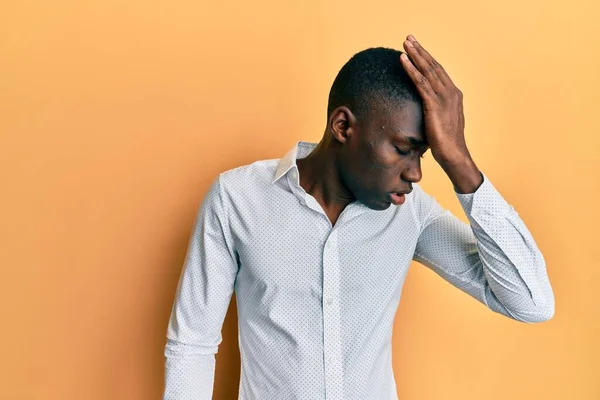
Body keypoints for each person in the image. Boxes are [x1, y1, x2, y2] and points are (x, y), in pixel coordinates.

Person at [162, 34, 555, 400]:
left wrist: (460, 162)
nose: (415, 172)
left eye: (424, 155)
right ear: (343, 126)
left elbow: (530, 303)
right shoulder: (238, 197)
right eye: (404, 149)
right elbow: (192, 344)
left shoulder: (410, 213)